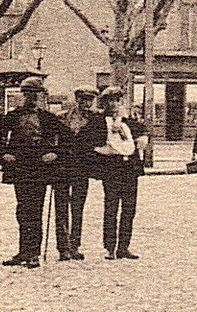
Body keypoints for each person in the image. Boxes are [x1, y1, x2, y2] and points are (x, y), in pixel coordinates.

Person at [0, 75, 66, 268]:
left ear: (41, 96)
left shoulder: (48, 118)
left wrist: (54, 153)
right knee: (22, 210)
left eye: (35, 94)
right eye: (28, 94)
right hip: (20, 168)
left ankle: (33, 253)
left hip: (40, 169)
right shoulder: (13, 116)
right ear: (22, 96)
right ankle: (23, 251)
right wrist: (4, 154)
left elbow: (67, 141)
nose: (31, 98)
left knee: (35, 210)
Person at [94, 86, 147, 259]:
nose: (114, 104)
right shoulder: (99, 122)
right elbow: (87, 144)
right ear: (105, 103)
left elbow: (142, 133)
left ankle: (124, 247)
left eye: (117, 100)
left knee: (129, 209)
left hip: (130, 170)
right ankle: (110, 247)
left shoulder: (129, 121)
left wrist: (143, 139)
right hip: (112, 170)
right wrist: (102, 151)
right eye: (110, 101)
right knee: (111, 208)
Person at [55, 88, 101, 257]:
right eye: (83, 99)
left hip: (82, 169)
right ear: (76, 99)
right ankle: (63, 247)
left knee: (78, 207)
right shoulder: (61, 118)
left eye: (90, 100)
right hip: (62, 167)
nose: (86, 103)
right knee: (61, 208)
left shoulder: (96, 119)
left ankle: (75, 245)